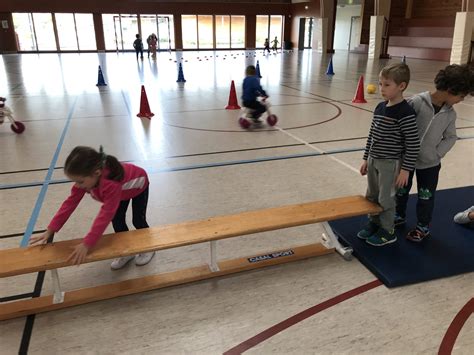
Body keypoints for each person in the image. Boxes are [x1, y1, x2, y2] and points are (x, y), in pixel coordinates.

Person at [29, 146, 155, 270]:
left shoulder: (110, 184)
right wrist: (51, 229)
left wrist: (87, 243)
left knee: (138, 220)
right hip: (121, 191)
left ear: (96, 173)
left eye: (80, 181)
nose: (77, 185)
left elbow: (105, 215)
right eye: (75, 181)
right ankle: (128, 251)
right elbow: (70, 203)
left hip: (138, 186)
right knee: (118, 221)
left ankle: (149, 247)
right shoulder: (87, 181)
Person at [395, 64, 474, 242]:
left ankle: (422, 227)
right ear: (451, 89)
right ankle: (398, 216)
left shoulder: (450, 114)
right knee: (401, 191)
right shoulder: (416, 103)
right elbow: (400, 128)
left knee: (426, 196)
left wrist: (436, 154)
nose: (461, 100)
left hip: (430, 164)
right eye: (461, 96)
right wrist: (401, 151)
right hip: (405, 162)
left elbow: (451, 137)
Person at [358, 62, 420, 246]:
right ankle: (374, 222)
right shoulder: (379, 107)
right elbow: (372, 135)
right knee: (372, 195)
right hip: (373, 160)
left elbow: (413, 143)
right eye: (380, 84)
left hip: (390, 163)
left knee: (386, 197)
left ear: (401, 86)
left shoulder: (405, 112)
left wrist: (405, 170)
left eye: (387, 85)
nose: (381, 88)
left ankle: (387, 230)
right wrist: (365, 158)